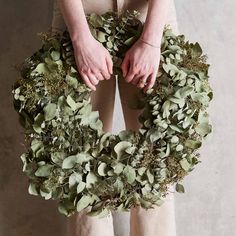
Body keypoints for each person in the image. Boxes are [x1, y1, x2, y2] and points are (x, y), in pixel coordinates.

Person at [51, 0, 179, 235]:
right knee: (80, 160)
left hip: (149, 12)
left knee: (158, 158)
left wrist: (151, 41)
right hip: (80, 13)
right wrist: (80, 38)